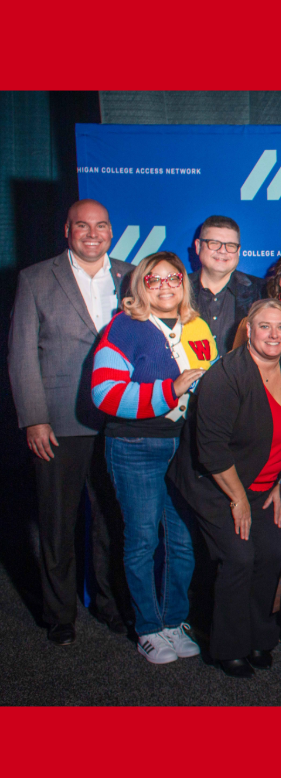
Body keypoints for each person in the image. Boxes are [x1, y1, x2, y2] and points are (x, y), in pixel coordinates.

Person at [168, 299, 281, 677]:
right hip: (216, 484)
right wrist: (237, 500)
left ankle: (260, 637)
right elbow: (212, 451)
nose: (274, 335)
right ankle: (228, 646)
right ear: (249, 329)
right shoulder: (226, 376)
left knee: (271, 552)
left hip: (265, 484)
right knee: (238, 556)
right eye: (265, 326)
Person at [9, 199, 130, 645]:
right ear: (67, 230)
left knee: (112, 520)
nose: (92, 234)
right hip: (59, 421)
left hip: (120, 418)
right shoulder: (36, 278)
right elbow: (21, 354)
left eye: (101, 225)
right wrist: (34, 419)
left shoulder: (132, 274)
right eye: (83, 226)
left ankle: (109, 604)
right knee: (57, 522)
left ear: (111, 231)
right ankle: (59, 613)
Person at [91, 252, 217, 664]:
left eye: (172, 278)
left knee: (182, 542)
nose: (165, 286)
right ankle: (147, 626)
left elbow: (210, 380)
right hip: (136, 446)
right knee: (143, 540)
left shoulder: (196, 325)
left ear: (184, 283)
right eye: (154, 280)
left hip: (184, 448)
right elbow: (104, 394)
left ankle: (173, 620)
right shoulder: (124, 327)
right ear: (139, 286)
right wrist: (170, 389)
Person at [189, 215, 265, 356]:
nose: (222, 251)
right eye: (214, 243)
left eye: (230, 245)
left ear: (238, 251)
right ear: (198, 246)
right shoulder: (176, 289)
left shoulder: (263, 291)